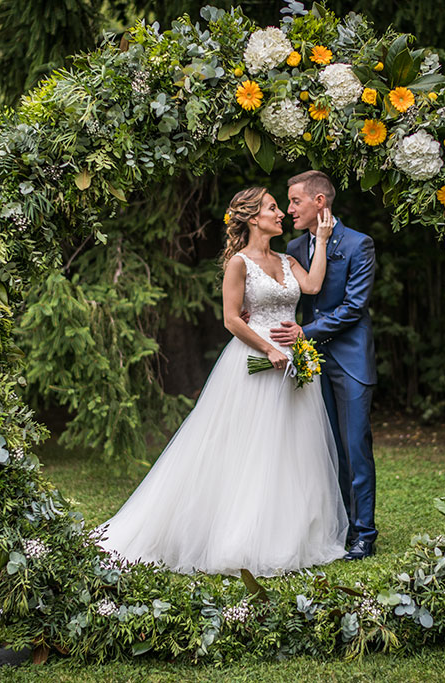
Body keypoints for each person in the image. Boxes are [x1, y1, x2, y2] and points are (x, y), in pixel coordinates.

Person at [98, 186, 348, 576]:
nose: (280, 213)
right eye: (272, 208)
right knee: (250, 450)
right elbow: (231, 319)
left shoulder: (286, 260)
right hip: (255, 364)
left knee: (290, 450)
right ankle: (238, 535)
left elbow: (313, 286)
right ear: (253, 218)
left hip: (292, 365)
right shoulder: (239, 264)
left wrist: (321, 240)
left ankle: (288, 533)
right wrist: (267, 349)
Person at [271, 170, 378, 560]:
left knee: (353, 449)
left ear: (320, 202)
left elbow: (353, 307)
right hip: (309, 363)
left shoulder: (358, 244)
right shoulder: (296, 247)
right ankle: (336, 528)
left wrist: (306, 332)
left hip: (348, 360)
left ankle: (364, 533)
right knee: (322, 449)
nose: (288, 209)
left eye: (295, 201)